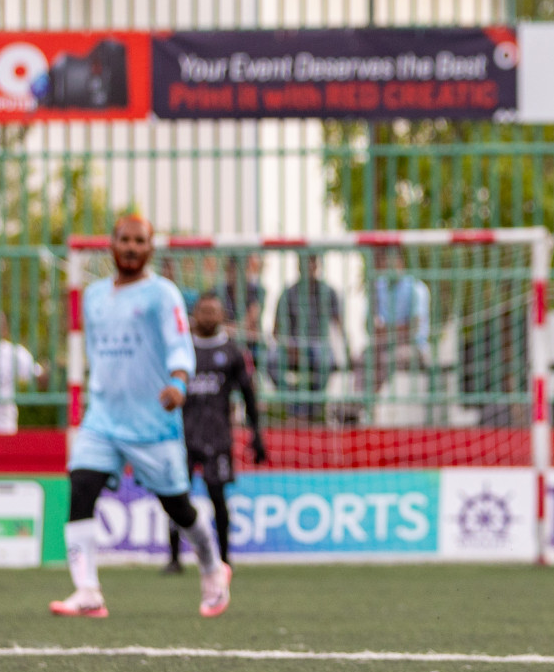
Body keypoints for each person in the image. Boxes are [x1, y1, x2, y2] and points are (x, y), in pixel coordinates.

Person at [50, 215, 231, 619]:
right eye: (124, 240)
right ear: (111, 245)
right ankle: (87, 591)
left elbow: (179, 345)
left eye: (139, 241)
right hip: (103, 418)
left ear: (150, 248)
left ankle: (212, 565)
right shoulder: (94, 296)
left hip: (152, 423)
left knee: (179, 509)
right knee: (81, 486)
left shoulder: (162, 295)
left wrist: (179, 385)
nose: (131, 247)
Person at [163, 293, 268, 574]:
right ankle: (174, 558)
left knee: (218, 498)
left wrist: (256, 433)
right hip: (181, 437)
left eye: (214, 311)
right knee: (175, 497)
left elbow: (248, 394)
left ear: (222, 316)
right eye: (204, 311)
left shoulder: (232, 352)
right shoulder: (180, 349)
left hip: (217, 436)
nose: (208, 316)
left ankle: (224, 558)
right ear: (195, 314)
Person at [272, 253, 346, 419]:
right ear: (298, 267)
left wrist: (345, 350)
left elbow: (338, 327)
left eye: (311, 263)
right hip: (292, 345)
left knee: (326, 359)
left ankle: (311, 408)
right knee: (270, 359)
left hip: (320, 345)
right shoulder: (288, 293)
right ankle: (296, 407)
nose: (308, 267)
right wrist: (288, 345)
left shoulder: (329, 292)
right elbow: (276, 331)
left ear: (317, 266)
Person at [365, 249, 432, 394]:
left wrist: (386, 330)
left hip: (414, 347)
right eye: (385, 264)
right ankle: (358, 403)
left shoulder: (416, 288)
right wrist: (398, 328)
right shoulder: (377, 287)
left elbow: (414, 328)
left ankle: (372, 403)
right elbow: (369, 325)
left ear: (401, 264)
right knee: (363, 357)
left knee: (387, 359)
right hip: (383, 345)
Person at [0, 310, 46, 434]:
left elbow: (38, 376)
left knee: (3, 452)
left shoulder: (14, 352)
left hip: (3, 421)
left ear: (5, 328)